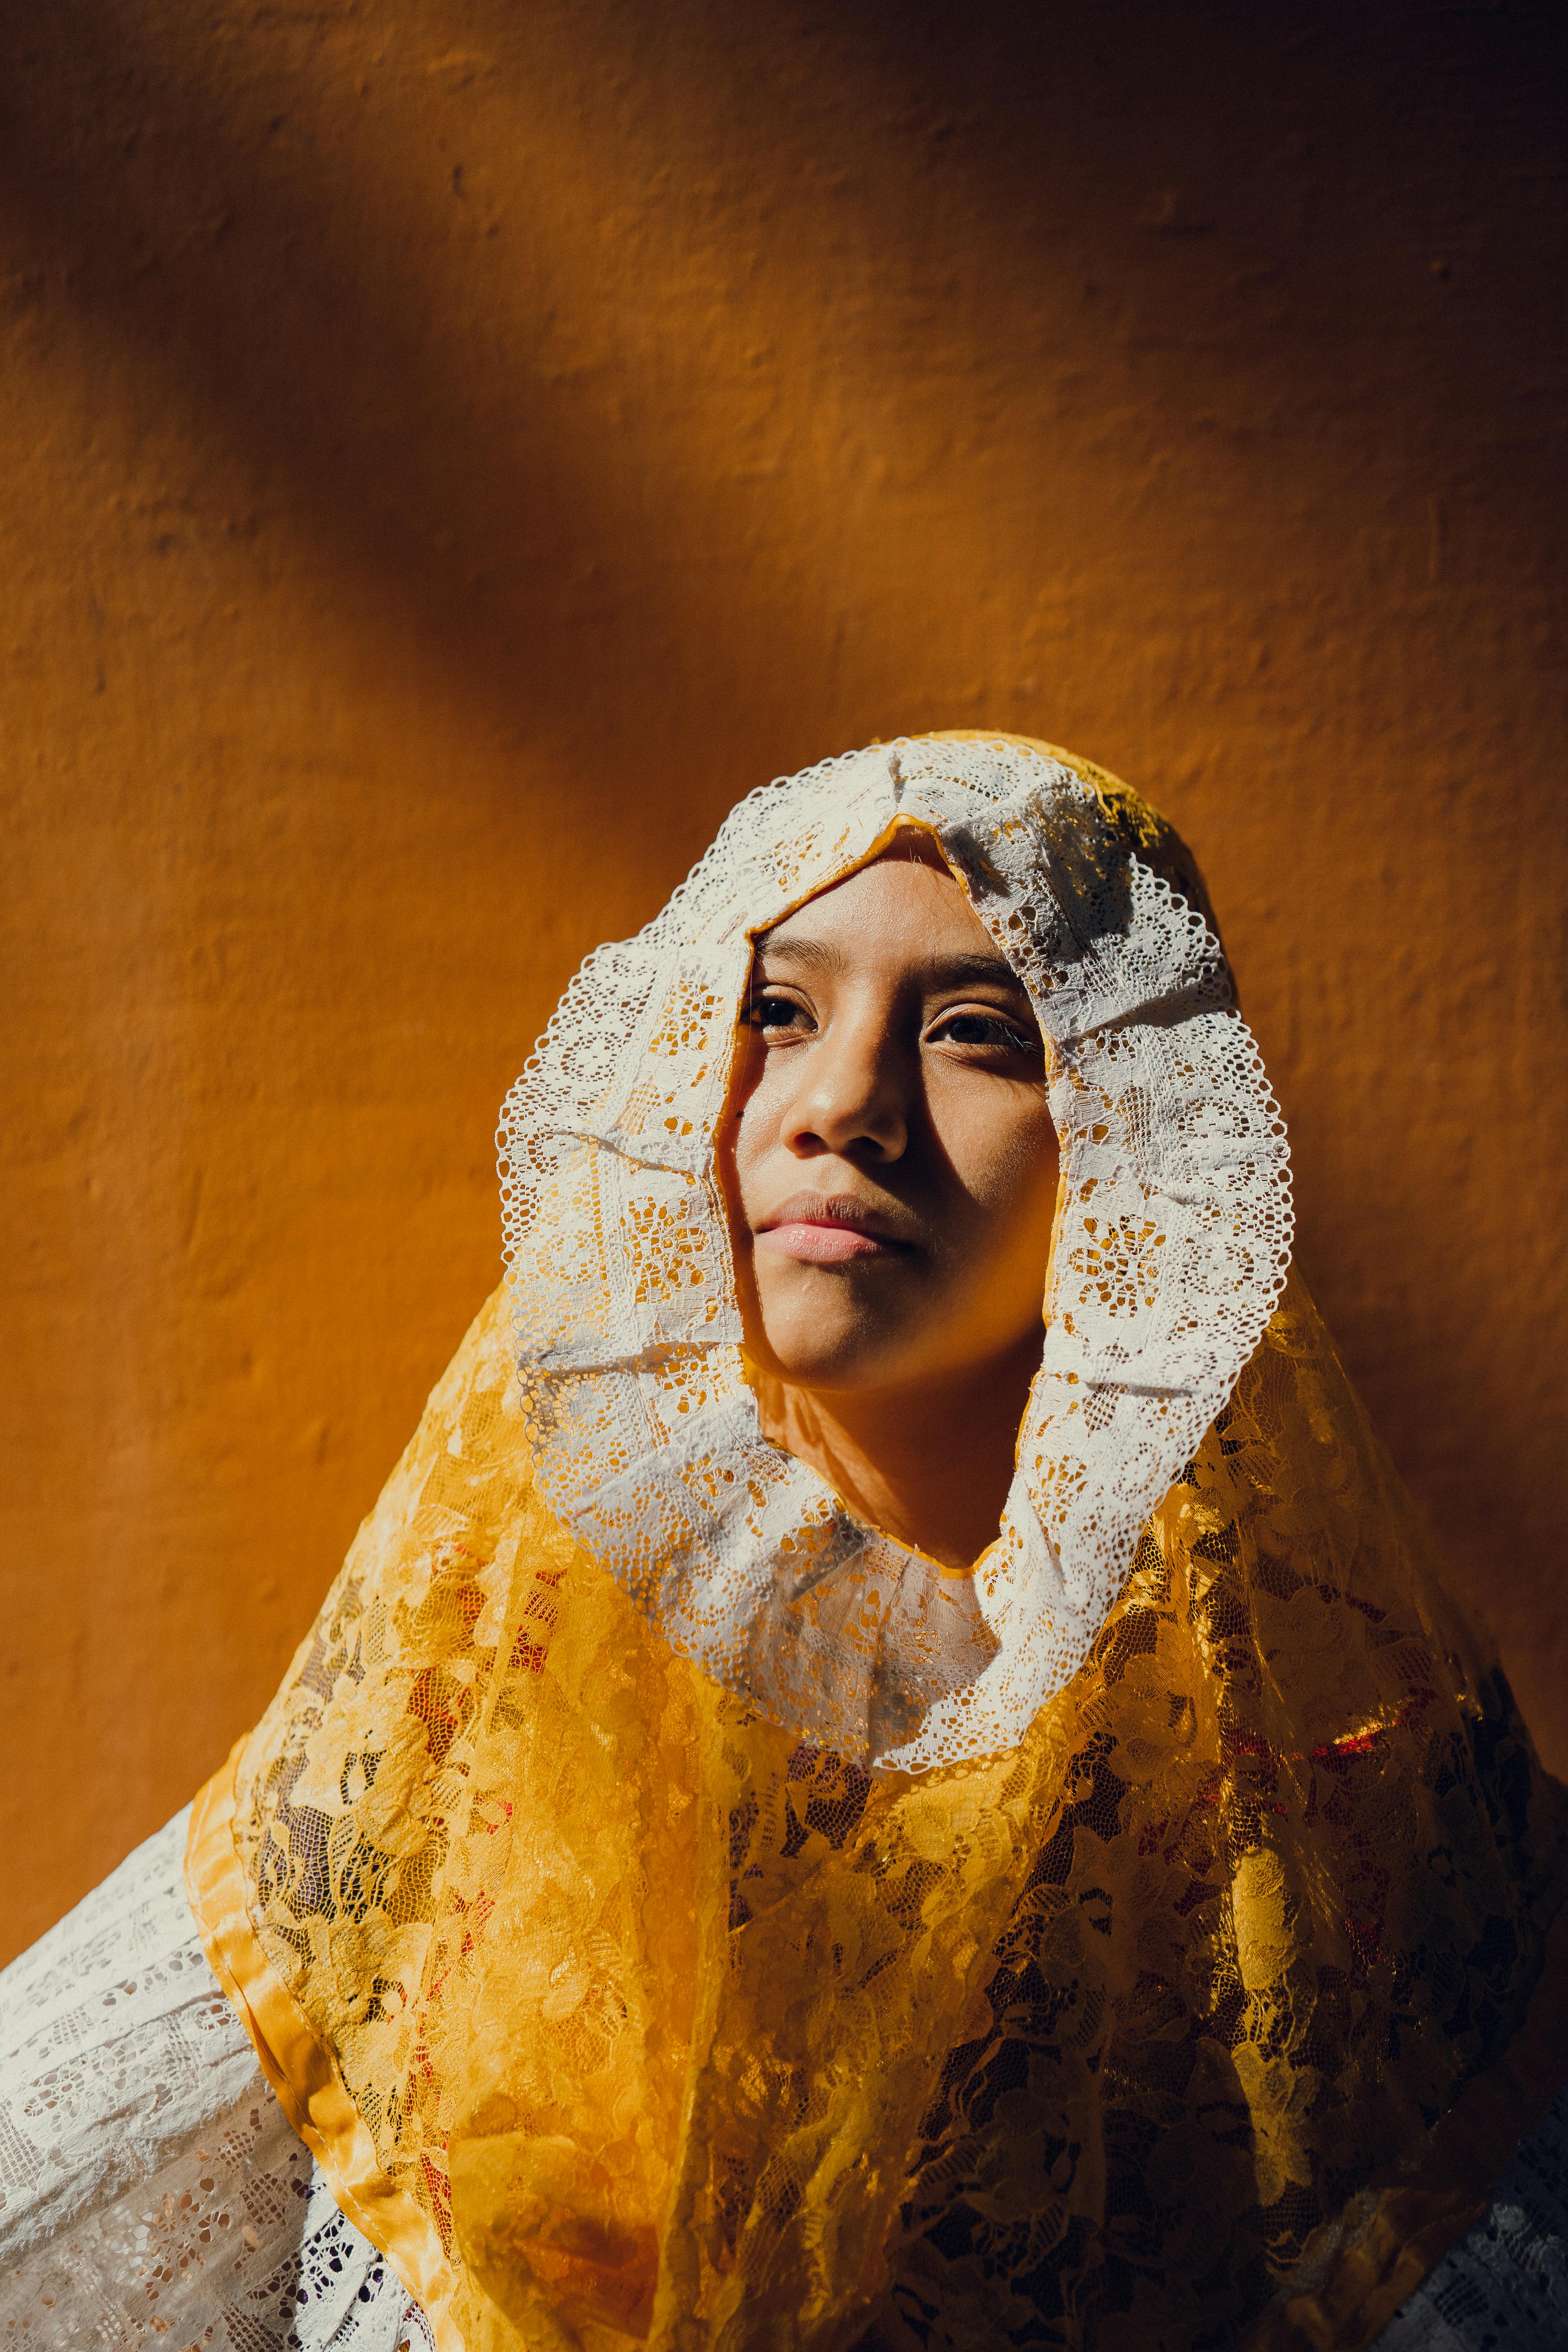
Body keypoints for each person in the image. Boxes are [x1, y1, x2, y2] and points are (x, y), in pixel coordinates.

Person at [3, 732, 1566, 2352]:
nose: (840, 1108)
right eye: (774, 1013)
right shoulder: (455, 1715)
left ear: (1140, 1147)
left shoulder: (1343, 1830)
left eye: (978, 1034)